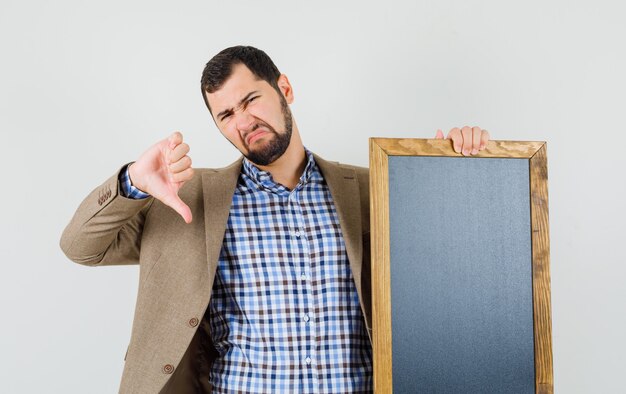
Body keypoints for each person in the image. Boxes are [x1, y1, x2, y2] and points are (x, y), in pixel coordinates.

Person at [60, 45, 490, 393]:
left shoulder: (369, 186)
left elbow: (461, 257)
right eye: (226, 115)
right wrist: (132, 181)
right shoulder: (187, 198)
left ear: (284, 88)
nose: (244, 121)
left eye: (251, 100)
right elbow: (81, 247)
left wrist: (451, 167)